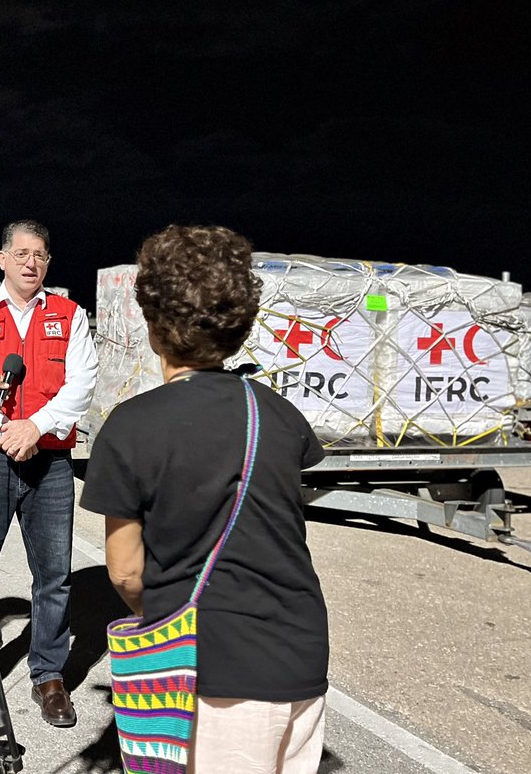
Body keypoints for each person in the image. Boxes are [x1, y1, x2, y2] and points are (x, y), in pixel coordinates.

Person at [80, 224, 329, 774]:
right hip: (301, 650)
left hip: (213, 670)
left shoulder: (133, 426)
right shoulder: (279, 415)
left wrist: (165, 611)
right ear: (239, 325)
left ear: (153, 323)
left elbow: (124, 572)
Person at [0, 220, 98, 727]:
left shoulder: (70, 315)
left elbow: (81, 385)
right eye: (20, 253)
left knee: (54, 576)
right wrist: (4, 431)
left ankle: (50, 677)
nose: (30, 262)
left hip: (50, 464)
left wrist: (35, 428)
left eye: (39, 254)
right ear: (1, 259)